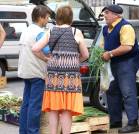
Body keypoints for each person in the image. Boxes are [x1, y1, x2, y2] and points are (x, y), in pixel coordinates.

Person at [32, 5, 89, 134]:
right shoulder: (76, 32)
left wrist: (47, 59)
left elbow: (35, 49)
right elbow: (86, 55)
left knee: (54, 107)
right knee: (66, 109)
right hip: (71, 76)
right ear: (71, 18)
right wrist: (75, 60)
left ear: (57, 17)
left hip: (53, 75)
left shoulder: (51, 31)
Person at [101, 4, 139, 133]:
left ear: (116, 15)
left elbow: (127, 47)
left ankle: (133, 123)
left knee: (127, 91)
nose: (105, 15)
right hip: (114, 61)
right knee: (112, 90)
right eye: (104, 13)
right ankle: (116, 120)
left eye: (107, 13)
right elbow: (103, 46)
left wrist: (110, 54)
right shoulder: (105, 29)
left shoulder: (125, 27)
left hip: (128, 61)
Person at [18, 5, 51, 134]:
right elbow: (47, 51)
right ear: (40, 18)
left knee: (26, 104)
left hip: (25, 71)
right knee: (35, 106)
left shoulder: (27, 30)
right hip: (37, 72)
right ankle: (33, 132)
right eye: (47, 17)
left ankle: (23, 131)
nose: (47, 20)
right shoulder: (40, 32)